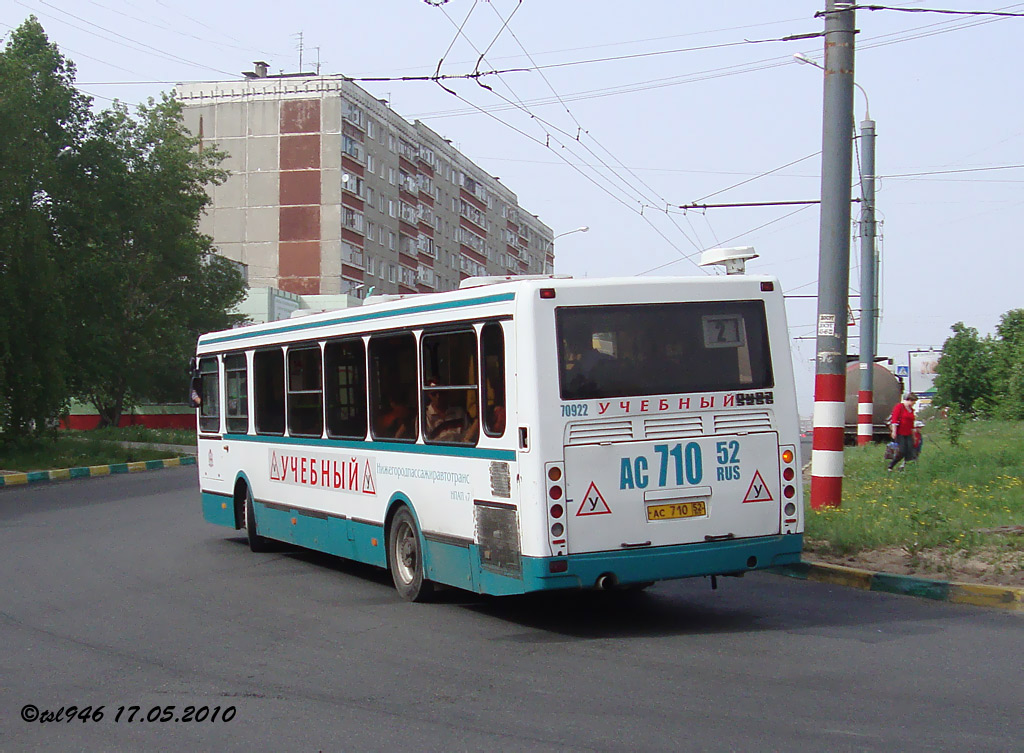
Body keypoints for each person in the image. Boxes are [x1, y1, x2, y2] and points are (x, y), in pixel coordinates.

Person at [888, 392, 918, 471]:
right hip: (900, 433)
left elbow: (911, 423)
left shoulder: (911, 410)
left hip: (908, 433)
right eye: (913, 402)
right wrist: (894, 431)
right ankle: (891, 465)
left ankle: (903, 466)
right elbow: (894, 420)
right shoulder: (899, 407)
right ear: (909, 400)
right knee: (902, 450)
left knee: (909, 450)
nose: (913, 404)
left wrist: (914, 435)